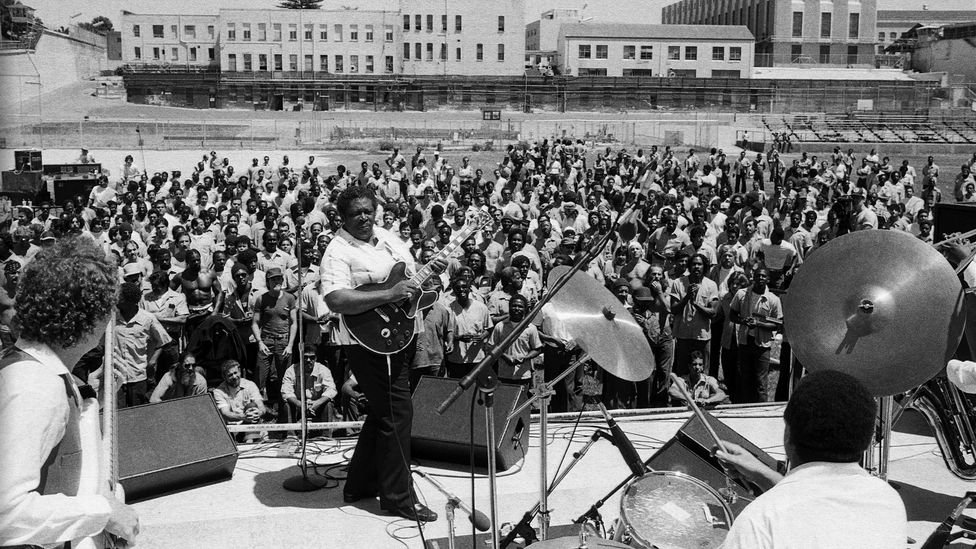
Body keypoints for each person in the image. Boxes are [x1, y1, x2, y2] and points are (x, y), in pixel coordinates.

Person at [0, 237, 140, 547]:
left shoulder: (44, 372)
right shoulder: (34, 386)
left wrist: (95, 399)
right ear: (92, 320)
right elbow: (6, 513)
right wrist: (104, 513)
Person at [320, 185, 446, 522]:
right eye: (354, 213)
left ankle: (359, 484)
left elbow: (407, 278)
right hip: (369, 341)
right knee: (398, 412)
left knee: (382, 412)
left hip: (401, 334)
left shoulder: (389, 236)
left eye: (367, 210)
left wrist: (432, 270)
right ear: (342, 218)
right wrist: (388, 294)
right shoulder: (337, 251)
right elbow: (335, 299)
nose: (363, 217)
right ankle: (398, 497)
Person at [716, 370, 907, 548]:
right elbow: (818, 512)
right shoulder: (889, 503)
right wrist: (761, 473)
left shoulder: (758, 521)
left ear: (787, 435)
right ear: (866, 442)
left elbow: (798, 509)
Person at [730, 268, 783, 404]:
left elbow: (777, 324)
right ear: (753, 277)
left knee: (761, 382)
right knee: (745, 378)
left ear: (768, 279)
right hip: (745, 342)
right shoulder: (742, 294)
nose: (760, 278)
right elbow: (732, 315)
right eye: (758, 275)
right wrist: (744, 321)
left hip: (762, 345)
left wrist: (758, 324)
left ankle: (761, 411)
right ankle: (743, 409)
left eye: (763, 276)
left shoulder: (773, 300)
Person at [280, 344, 338, 431]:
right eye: (305, 357)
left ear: (316, 358)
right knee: (287, 404)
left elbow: (331, 390)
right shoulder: (291, 370)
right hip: (298, 405)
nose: (308, 360)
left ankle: (326, 436)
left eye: (312, 357)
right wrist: (300, 404)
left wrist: (317, 403)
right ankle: (291, 435)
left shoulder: (323, 370)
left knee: (328, 403)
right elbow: (286, 392)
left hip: (317, 405)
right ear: (300, 357)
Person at [212, 359, 266, 443]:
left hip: (249, 425)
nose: (234, 377)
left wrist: (258, 413)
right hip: (231, 427)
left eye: (235, 373)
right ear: (224, 377)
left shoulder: (250, 385)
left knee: (252, 407)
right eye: (230, 375)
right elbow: (225, 413)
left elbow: (261, 407)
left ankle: (249, 441)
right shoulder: (218, 392)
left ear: (240, 371)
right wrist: (244, 417)